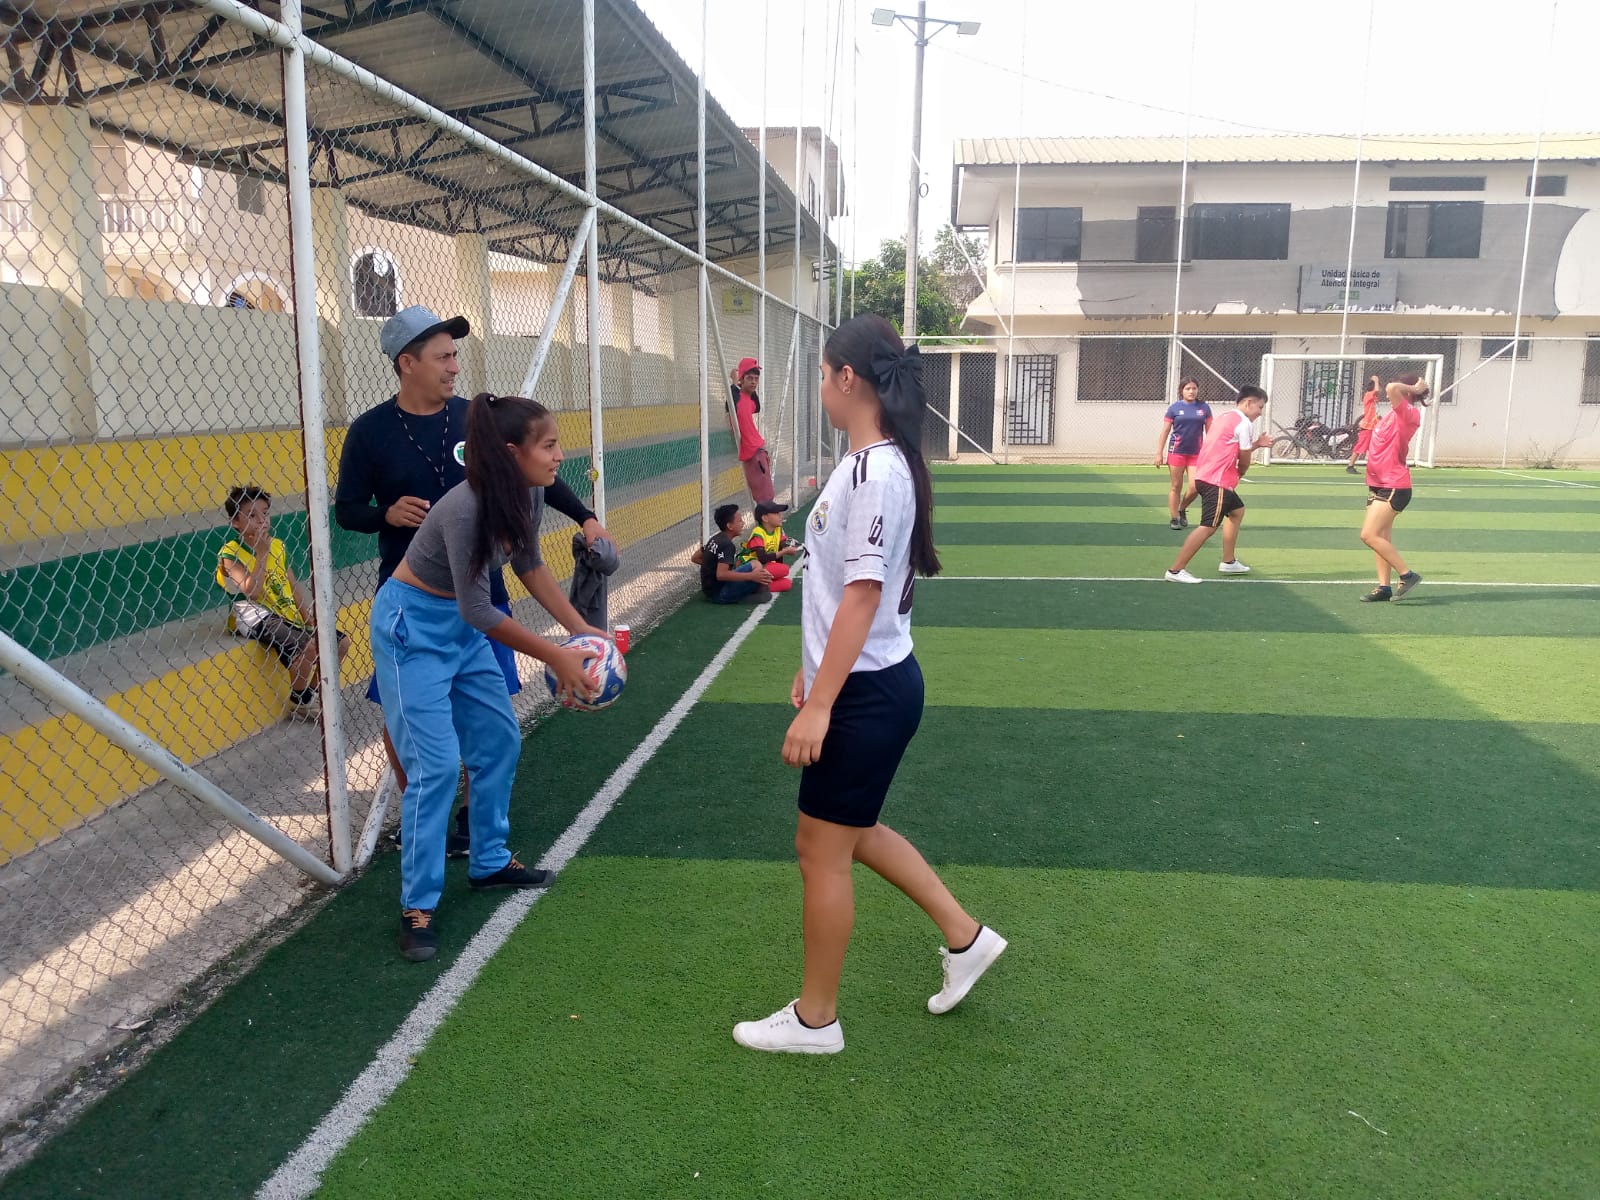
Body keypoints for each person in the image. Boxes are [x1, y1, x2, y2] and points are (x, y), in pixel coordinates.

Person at [732, 314, 1005, 1055]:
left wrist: (822, 702)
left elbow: (862, 594)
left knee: (819, 849)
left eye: (824, 375)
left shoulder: (876, 470)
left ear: (848, 379)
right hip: (869, 679)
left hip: (866, 693)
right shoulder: (872, 464)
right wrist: (815, 665)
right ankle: (965, 936)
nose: (821, 387)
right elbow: (844, 592)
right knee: (852, 833)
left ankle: (816, 1020)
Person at [335, 305, 609, 858]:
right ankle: (425, 813)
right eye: (443, 356)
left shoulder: (478, 420)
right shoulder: (369, 432)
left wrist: (585, 516)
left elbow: (537, 477)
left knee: (488, 717)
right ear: (407, 363)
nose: (455, 366)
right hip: (412, 597)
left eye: (455, 355)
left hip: (484, 592)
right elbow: (346, 510)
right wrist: (386, 513)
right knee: (404, 716)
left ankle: (470, 823)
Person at [373, 392, 608, 962]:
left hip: (459, 630)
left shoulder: (528, 492)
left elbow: (529, 565)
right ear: (511, 452)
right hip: (412, 630)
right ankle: (417, 905)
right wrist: (556, 656)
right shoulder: (466, 509)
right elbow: (479, 609)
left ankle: (489, 861)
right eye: (548, 446)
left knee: (499, 740)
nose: (559, 456)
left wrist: (583, 632)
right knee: (435, 768)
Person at [216, 486, 350, 721]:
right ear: (235, 522)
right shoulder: (230, 553)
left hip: (283, 611)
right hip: (252, 615)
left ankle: (310, 695)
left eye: (265, 513)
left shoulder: (277, 545)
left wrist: (306, 615)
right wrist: (261, 554)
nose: (261, 521)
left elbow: (292, 584)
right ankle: (302, 702)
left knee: (341, 642)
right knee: (308, 646)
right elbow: (252, 592)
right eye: (251, 515)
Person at [1164, 386, 1273, 584]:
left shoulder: (1224, 417)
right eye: (1260, 407)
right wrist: (1240, 473)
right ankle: (1176, 570)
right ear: (1248, 403)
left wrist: (1257, 444)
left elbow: (1228, 446)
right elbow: (1244, 458)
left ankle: (1228, 561)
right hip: (1217, 481)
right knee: (1208, 527)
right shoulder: (1243, 423)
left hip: (1205, 477)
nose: (1260, 412)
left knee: (1237, 511)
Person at [1359, 375, 1428, 602]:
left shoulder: (1408, 413)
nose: (1389, 396)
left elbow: (1391, 387)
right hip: (1378, 483)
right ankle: (1384, 587)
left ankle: (1407, 575)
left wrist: (1414, 388)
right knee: (1381, 537)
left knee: (1368, 535)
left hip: (1394, 485)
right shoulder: (1392, 414)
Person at [1154, 378, 1212, 529]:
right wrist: (1159, 453)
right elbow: (1165, 431)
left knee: (1195, 486)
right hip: (1177, 452)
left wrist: (1212, 452)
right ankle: (1174, 518)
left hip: (1196, 453)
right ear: (1182, 391)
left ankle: (1182, 508)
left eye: (1194, 388)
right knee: (1176, 486)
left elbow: (1210, 432)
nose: (1191, 391)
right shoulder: (1174, 408)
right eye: (1188, 389)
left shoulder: (1204, 408)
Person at [692, 503, 773, 603]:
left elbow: (695, 558)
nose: (743, 523)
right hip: (720, 594)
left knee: (756, 564)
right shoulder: (728, 545)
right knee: (762, 583)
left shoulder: (715, 538)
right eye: (740, 521)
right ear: (729, 526)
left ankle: (755, 588)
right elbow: (721, 575)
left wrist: (712, 567)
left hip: (709, 591)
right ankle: (744, 597)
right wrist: (752, 576)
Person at [730, 357, 776, 504]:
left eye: (756, 379)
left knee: (765, 495)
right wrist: (734, 381)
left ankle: (770, 518)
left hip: (756, 452)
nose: (754, 382)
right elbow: (731, 401)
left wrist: (740, 383)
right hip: (753, 453)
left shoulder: (749, 399)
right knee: (762, 495)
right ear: (741, 379)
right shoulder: (736, 398)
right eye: (749, 378)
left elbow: (757, 406)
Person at [740, 499, 802, 593]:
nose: (780, 516)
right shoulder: (758, 533)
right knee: (784, 570)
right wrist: (784, 551)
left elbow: (781, 546)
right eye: (776, 513)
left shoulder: (777, 529)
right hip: (751, 568)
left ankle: (756, 588)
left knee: (786, 583)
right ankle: (750, 585)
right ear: (765, 518)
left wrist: (794, 547)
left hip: (765, 566)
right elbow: (762, 558)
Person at [1346, 374, 1382, 473]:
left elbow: (1375, 413)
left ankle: (1376, 467)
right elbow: (1376, 390)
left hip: (1374, 428)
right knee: (1360, 446)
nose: (1380, 389)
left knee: (1376, 448)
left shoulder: (1375, 399)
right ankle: (1350, 466)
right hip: (1367, 428)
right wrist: (1376, 380)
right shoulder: (1368, 395)